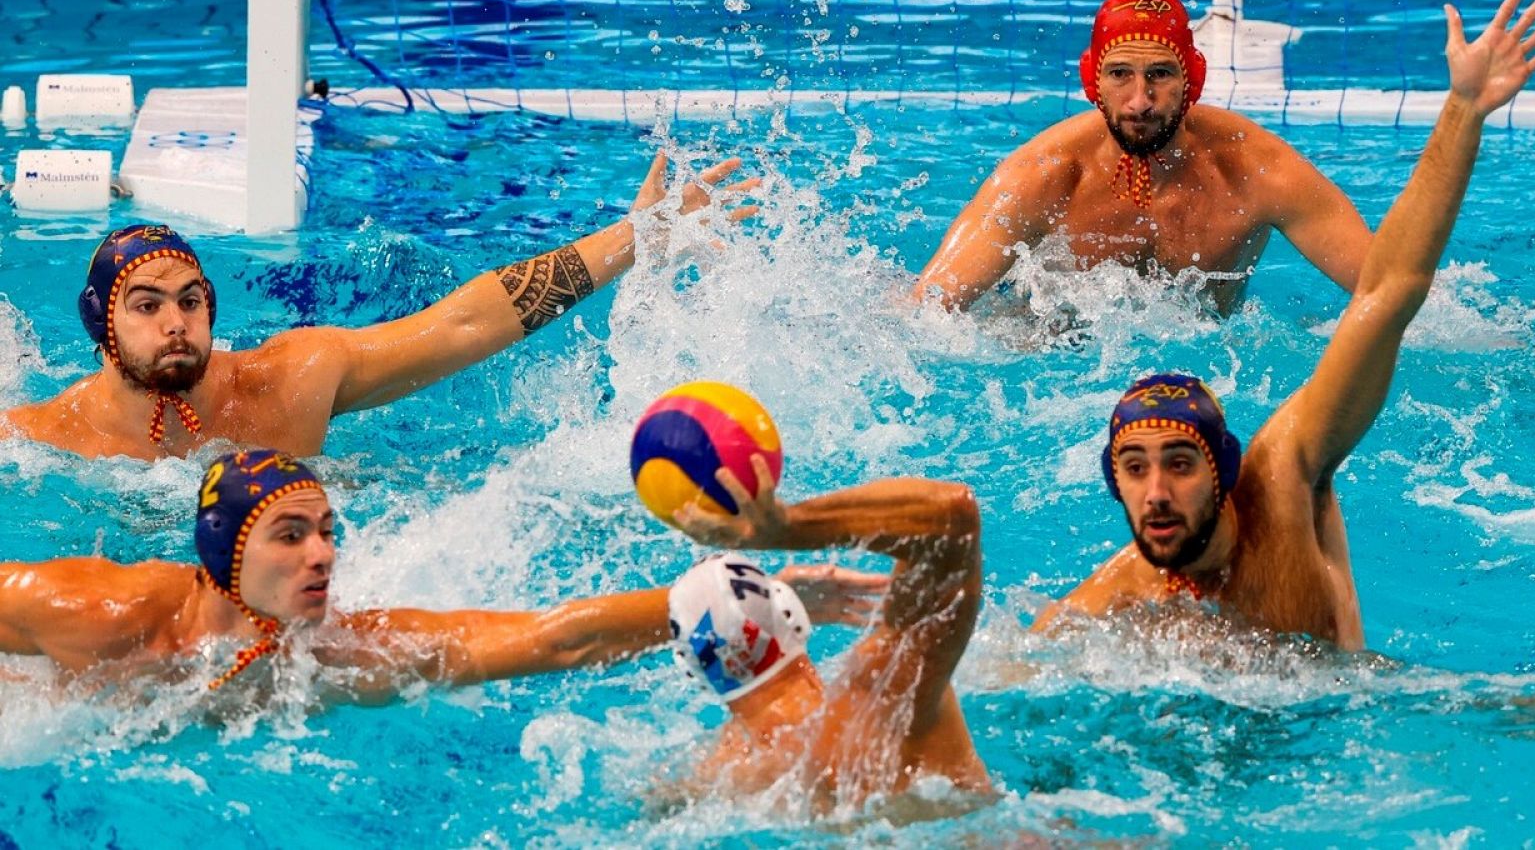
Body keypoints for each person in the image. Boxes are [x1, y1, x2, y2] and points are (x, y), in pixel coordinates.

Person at [1031, 0, 1535, 649]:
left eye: (1179, 462)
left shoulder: (1283, 483)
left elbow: (1388, 289)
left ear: (1225, 473)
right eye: (1134, 468)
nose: (1158, 492)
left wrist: (1462, 110)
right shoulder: (1103, 608)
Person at [1, 154, 755, 460]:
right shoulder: (42, 439)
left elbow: (464, 321)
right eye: (147, 305)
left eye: (192, 301)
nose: (176, 322)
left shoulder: (292, 379)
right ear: (101, 329)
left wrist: (634, 239)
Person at [0, 448, 883, 700]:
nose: (323, 554)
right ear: (222, 554)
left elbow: (551, 635)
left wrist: (752, 595)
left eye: (329, 532)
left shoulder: (343, 653)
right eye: (291, 535)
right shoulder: (103, 610)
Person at [914, 0, 1374, 315]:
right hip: (1048, 358)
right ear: (1092, 79)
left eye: (1159, 74)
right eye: (1119, 74)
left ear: (1191, 79)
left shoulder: (1258, 171)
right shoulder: (1042, 175)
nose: (1139, 101)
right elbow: (928, 310)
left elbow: (1387, 288)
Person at [672, 458, 990, 807]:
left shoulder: (716, 779)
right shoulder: (879, 695)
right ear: (792, 615)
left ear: (693, 669)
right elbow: (950, 517)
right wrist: (790, 526)